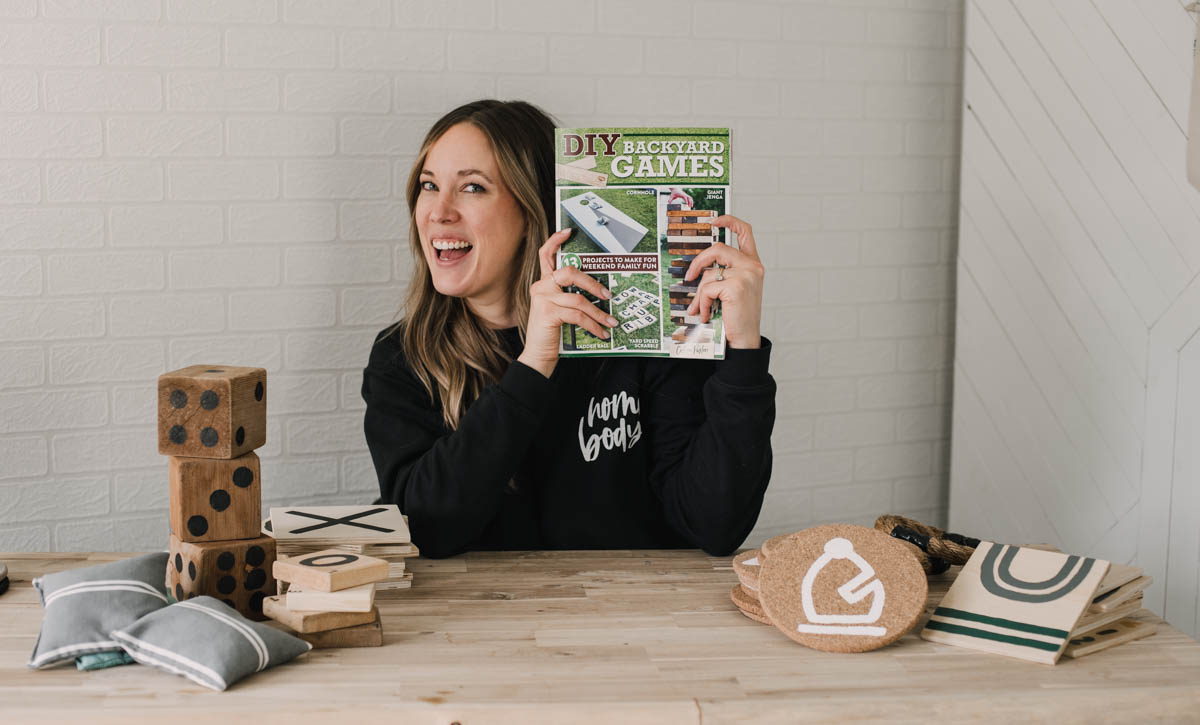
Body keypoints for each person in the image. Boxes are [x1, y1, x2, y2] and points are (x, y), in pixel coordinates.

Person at [361, 99, 776, 558]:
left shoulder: (642, 333)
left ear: (534, 211)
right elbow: (423, 528)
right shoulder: (402, 357)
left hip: (629, 601)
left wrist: (743, 351)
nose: (439, 212)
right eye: (429, 185)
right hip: (476, 604)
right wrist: (532, 366)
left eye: (473, 188)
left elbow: (714, 526)